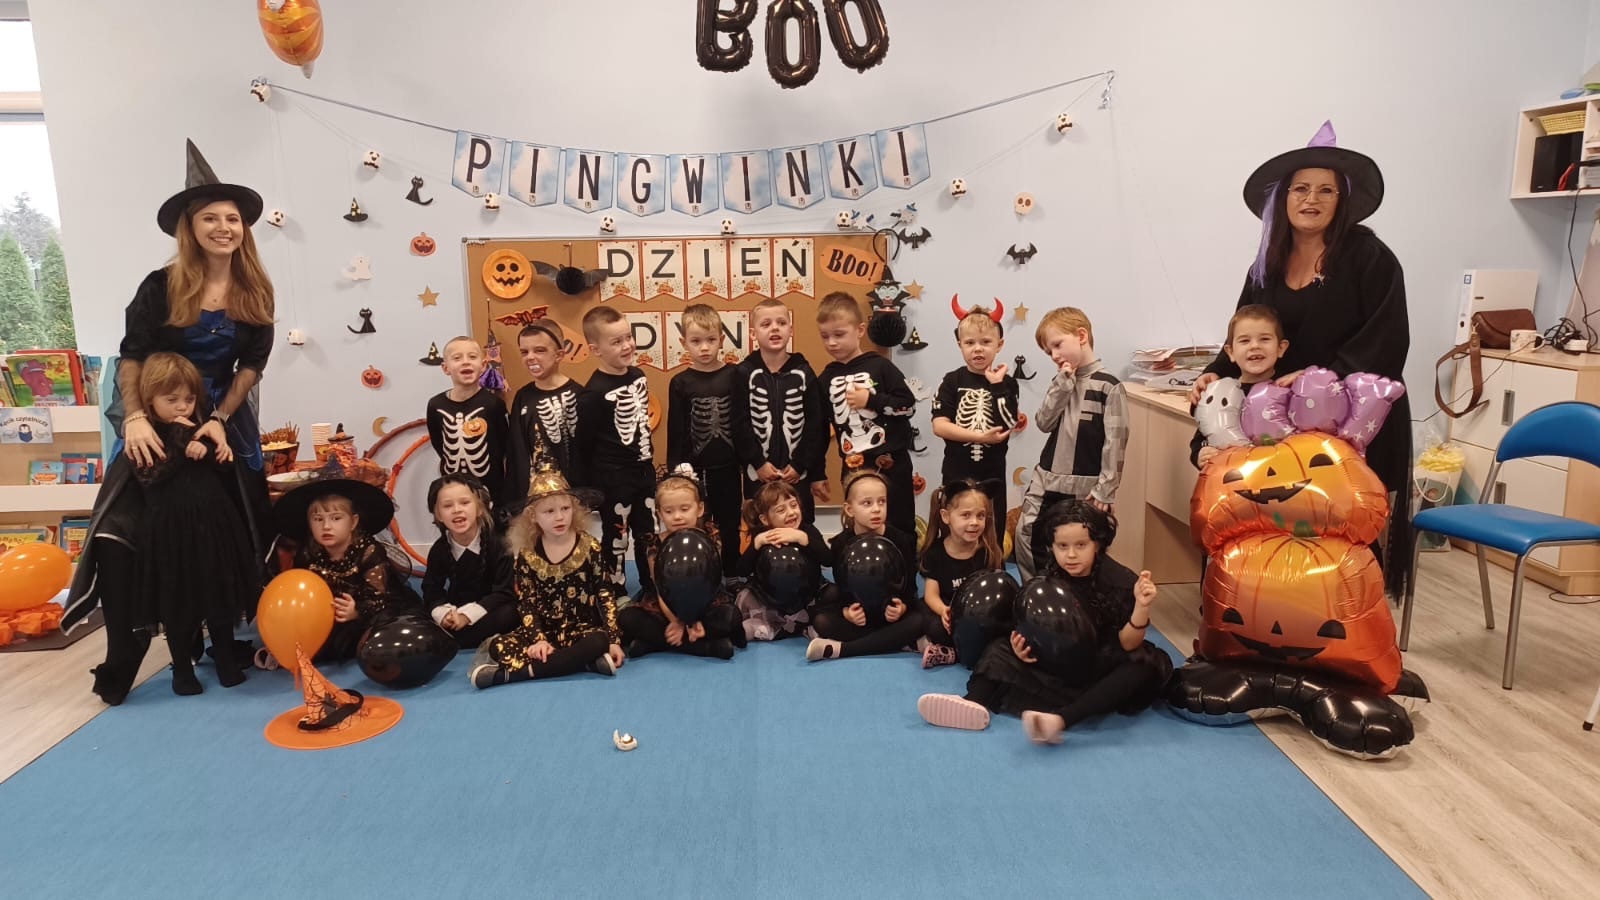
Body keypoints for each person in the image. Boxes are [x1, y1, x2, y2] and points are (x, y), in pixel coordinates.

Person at [63, 140, 276, 706]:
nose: (224, 228)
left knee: (235, 528)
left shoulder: (255, 289)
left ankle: (226, 639)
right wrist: (135, 417)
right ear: (191, 227)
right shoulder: (159, 286)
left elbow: (251, 365)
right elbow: (133, 355)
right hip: (154, 413)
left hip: (222, 417)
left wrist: (221, 420)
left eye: (232, 219)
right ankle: (125, 656)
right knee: (119, 534)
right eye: (211, 218)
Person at [1188, 120, 1412, 597]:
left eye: (1326, 190)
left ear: (1342, 200)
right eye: (1301, 189)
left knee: (1340, 527)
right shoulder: (1266, 263)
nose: (1312, 199)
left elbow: (1388, 340)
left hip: (1353, 419)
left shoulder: (1370, 257)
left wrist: (1318, 378)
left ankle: (1342, 619)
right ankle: (1269, 612)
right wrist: (1213, 373)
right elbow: (1246, 329)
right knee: (1276, 522)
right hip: (1278, 418)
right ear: (1283, 199)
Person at [918, 501, 1173, 745]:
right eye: (1062, 546)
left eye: (1081, 545)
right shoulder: (1050, 576)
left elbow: (1128, 644)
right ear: (1052, 547)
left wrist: (1141, 607)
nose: (1071, 555)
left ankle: (1061, 720)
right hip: (1058, 660)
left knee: (1143, 665)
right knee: (1000, 647)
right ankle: (974, 702)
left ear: (1097, 544)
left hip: (1100, 663)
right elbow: (1033, 623)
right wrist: (1020, 643)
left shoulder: (1119, 581)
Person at [129, 353, 256, 694]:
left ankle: (226, 659)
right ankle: (182, 670)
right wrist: (182, 443)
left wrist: (217, 452)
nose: (182, 407)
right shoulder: (144, 436)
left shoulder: (201, 427)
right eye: (171, 400)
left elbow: (224, 470)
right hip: (170, 532)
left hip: (212, 525)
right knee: (177, 602)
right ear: (150, 400)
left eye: (188, 399)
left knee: (219, 595)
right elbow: (149, 477)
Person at [468, 460, 624, 688]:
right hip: (544, 632)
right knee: (498, 646)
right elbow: (526, 603)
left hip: (580, 630)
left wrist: (613, 639)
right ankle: (583, 663)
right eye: (549, 511)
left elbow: (605, 594)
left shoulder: (590, 546)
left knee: (598, 641)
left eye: (565, 509)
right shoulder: (527, 554)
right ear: (533, 516)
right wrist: (538, 640)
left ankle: (514, 675)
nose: (559, 517)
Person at [1013, 307, 1127, 580]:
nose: (1054, 355)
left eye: (1057, 345)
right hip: (1047, 480)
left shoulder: (1108, 386)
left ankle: (1074, 597)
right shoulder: (1061, 380)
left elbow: (1116, 443)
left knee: (1078, 547)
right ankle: (1036, 592)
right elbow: (1044, 422)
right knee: (1027, 533)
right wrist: (1062, 385)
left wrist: (1106, 489)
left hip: (1084, 488)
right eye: (1048, 352)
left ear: (1081, 336)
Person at [276, 478, 416, 663]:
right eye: (318, 519)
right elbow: (300, 591)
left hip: (369, 607)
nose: (326, 526)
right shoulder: (308, 553)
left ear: (353, 522)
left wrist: (357, 611)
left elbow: (378, 597)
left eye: (336, 518)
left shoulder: (368, 552)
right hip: (328, 611)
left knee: (377, 636)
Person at [816, 292, 918, 538]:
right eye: (825, 336)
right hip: (854, 466)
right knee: (857, 526)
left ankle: (903, 562)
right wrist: (818, 473)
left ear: (860, 330)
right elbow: (818, 430)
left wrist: (871, 400)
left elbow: (908, 406)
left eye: (839, 334)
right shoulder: (825, 378)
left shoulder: (881, 366)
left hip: (891, 463)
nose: (832, 343)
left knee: (899, 524)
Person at [571, 305, 657, 595]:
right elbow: (583, 443)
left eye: (628, 337)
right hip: (613, 477)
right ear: (596, 349)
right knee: (617, 536)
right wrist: (588, 486)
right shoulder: (593, 393)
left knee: (649, 533)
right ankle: (615, 591)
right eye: (616, 341)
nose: (627, 345)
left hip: (643, 471)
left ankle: (651, 587)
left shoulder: (638, 375)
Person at [617, 469, 743, 660]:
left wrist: (693, 620)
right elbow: (660, 588)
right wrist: (676, 621)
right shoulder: (654, 544)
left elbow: (711, 583)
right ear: (659, 514)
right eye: (669, 511)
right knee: (626, 618)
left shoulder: (711, 537)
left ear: (699, 509)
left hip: (705, 604)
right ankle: (706, 647)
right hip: (667, 607)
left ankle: (654, 643)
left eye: (684, 509)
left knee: (732, 616)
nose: (677, 516)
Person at [806, 470, 924, 661]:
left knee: (919, 620)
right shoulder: (840, 543)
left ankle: (843, 649)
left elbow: (910, 588)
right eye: (867, 503)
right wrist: (847, 612)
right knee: (821, 620)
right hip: (860, 618)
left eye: (882, 501)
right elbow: (843, 588)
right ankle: (898, 642)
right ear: (849, 509)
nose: (876, 509)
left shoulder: (902, 540)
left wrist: (902, 607)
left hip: (891, 616)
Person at [735, 297, 827, 526]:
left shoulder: (805, 373)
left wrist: (801, 465)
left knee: (802, 526)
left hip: (796, 475)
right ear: (753, 333)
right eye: (766, 324)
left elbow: (817, 426)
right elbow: (739, 423)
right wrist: (758, 462)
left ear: (791, 330)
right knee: (760, 527)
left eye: (781, 323)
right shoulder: (743, 373)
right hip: (758, 474)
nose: (774, 328)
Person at [666, 304, 744, 576]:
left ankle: (731, 574)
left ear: (721, 339)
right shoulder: (680, 382)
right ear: (683, 343)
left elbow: (742, 421)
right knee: (695, 524)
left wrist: (748, 461)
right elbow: (676, 428)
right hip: (694, 470)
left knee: (730, 523)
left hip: (728, 467)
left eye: (711, 340)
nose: (704, 348)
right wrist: (676, 466)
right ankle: (698, 574)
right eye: (696, 341)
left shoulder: (735, 376)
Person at [930, 301, 1018, 528]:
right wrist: (980, 437)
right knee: (954, 528)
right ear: (960, 344)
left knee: (992, 529)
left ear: (999, 345)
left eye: (986, 342)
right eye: (970, 342)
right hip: (956, 472)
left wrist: (997, 386)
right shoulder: (952, 381)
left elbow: (1009, 422)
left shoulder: (1007, 383)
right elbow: (939, 426)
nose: (977, 349)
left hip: (992, 475)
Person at [422, 474, 519, 650]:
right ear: (438, 515)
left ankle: (454, 639)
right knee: (420, 613)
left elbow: (504, 591)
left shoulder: (499, 544)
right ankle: (454, 636)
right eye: (447, 506)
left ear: (479, 508)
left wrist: (467, 616)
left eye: (465, 503)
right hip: (457, 609)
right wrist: (444, 614)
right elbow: (431, 590)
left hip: (491, 609)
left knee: (513, 612)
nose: (457, 510)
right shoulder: (439, 549)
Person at [918, 480, 1003, 669]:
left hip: (978, 614)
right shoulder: (936, 553)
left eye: (980, 516)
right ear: (946, 516)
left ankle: (949, 652)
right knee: (930, 623)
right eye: (966, 515)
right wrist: (943, 611)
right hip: (947, 609)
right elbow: (931, 595)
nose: (974, 522)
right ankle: (950, 649)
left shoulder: (989, 553)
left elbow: (999, 592)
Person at [1189, 305, 1287, 468]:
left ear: (1281, 348)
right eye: (1244, 341)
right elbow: (1202, 437)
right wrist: (1200, 453)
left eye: (1264, 339)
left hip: (1278, 474)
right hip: (1230, 477)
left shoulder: (1288, 391)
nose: (1254, 346)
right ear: (1230, 352)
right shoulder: (1221, 393)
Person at [736, 481, 828, 642]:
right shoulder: (763, 535)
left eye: (794, 505)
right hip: (771, 597)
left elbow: (828, 559)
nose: (791, 512)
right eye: (781, 510)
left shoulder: (807, 530)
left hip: (806, 593)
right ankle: (783, 625)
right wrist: (757, 544)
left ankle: (793, 626)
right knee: (745, 596)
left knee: (832, 593)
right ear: (765, 519)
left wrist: (804, 539)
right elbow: (742, 571)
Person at [426, 335, 510, 508]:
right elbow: (439, 444)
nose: (466, 362)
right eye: (457, 358)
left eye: (472, 357)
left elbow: (504, 446)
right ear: (445, 368)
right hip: (453, 491)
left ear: (483, 365)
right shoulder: (436, 405)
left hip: (492, 492)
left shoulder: (494, 404)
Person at [507, 320, 581, 501]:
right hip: (535, 497)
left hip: (573, 496)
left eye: (539, 350)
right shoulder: (523, 397)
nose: (530, 357)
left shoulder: (579, 395)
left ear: (559, 354)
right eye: (524, 352)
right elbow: (517, 452)